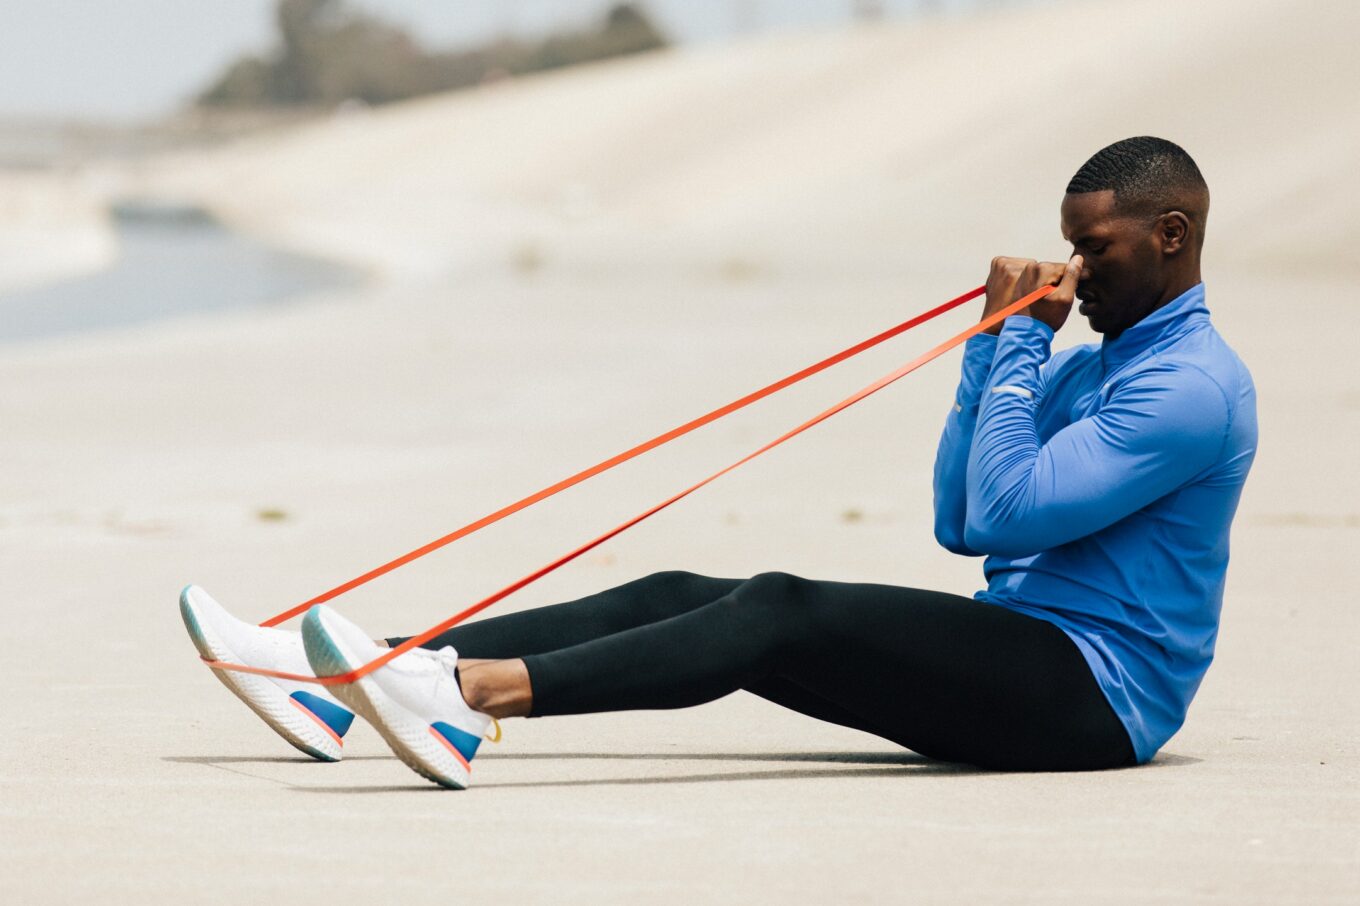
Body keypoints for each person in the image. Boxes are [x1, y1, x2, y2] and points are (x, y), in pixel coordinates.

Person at [181, 136, 1257, 790]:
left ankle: (467, 698)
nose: (1073, 269)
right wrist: (990, 351)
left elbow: (1008, 513)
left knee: (781, 604)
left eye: (1095, 249)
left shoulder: (1192, 386)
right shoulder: (1093, 365)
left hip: (1095, 698)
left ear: (1170, 235)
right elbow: (959, 519)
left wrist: (1020, 342)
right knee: (682, 590)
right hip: (1026, 652)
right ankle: (345, 680)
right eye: (1067, 243)